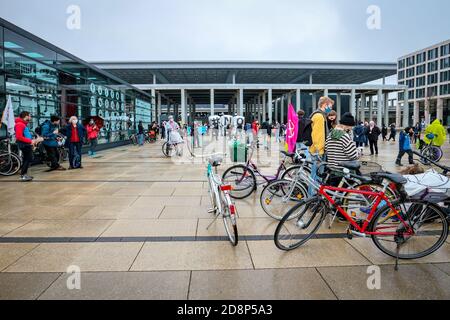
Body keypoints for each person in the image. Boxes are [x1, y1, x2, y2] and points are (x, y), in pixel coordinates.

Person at [309, 96, 335, 195]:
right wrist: (320, 151)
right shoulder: (319, 116)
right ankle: (312, 199)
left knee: (315, 176)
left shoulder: (319, 115)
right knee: (316, 177)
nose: (331, 109)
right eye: (330, 106)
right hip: (318, 151)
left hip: (316, 150)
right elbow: (318, 135)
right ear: (325, 105)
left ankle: (313, 197)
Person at [14, 112, 43, 181]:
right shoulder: (20, 124)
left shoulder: (23, 124)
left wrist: (32, 140)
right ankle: (23, 175)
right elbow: (19, 137)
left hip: (26, 144)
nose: (30, 117)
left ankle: (24, 174)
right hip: (24, 144)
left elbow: (24, 135)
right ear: (25, 116)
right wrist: (31, 141)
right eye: (29, 116)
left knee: (27, 159)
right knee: (28, 158)